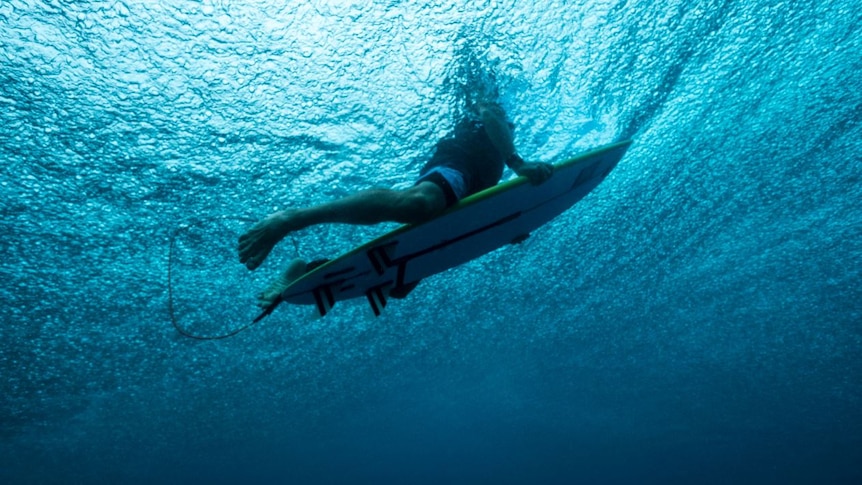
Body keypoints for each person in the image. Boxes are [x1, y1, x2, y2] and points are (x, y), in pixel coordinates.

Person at [238, 100, 553, 308]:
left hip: (469, 190)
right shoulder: (486, 99)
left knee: (400, 277)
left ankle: (308, 271)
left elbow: (473, 218)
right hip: (458, 164)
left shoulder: (499, 133)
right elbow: (488, 115)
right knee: (420, 204)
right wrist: (517, 163)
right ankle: (292, 218)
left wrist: (503, 227)